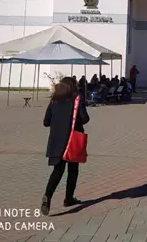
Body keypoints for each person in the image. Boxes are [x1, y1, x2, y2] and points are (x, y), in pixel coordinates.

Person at [41, 77, 90, 215]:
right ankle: (68, 198)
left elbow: (46, 122)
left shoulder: (54, 100)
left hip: (56, 141)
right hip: (72, 141)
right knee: (73, 170)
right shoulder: (77, 99)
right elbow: (85, 118)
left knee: (57, 171)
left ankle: (47, 196)